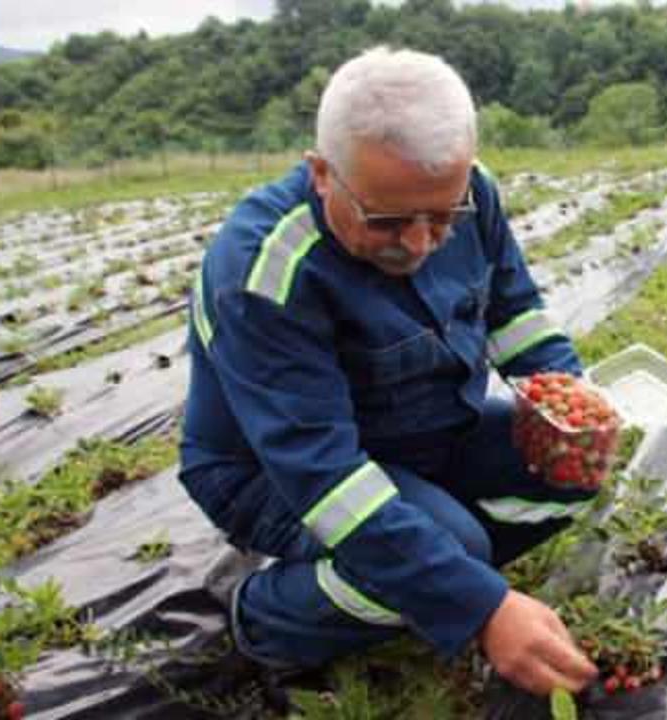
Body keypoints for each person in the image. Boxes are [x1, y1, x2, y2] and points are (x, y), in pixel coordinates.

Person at [178, 46, 598, 697]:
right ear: (322, 173)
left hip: (425, 426)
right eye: (389, 219)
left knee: (567, 467)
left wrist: (569, 400)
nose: (422, 241)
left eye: (443, 216)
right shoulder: (266, 273)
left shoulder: (472, 192)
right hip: (273, 471)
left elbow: (516, 312)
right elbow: (322, 472)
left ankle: (420, 570)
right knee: (452, 556)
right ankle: (267, 615)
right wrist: (480, 603)